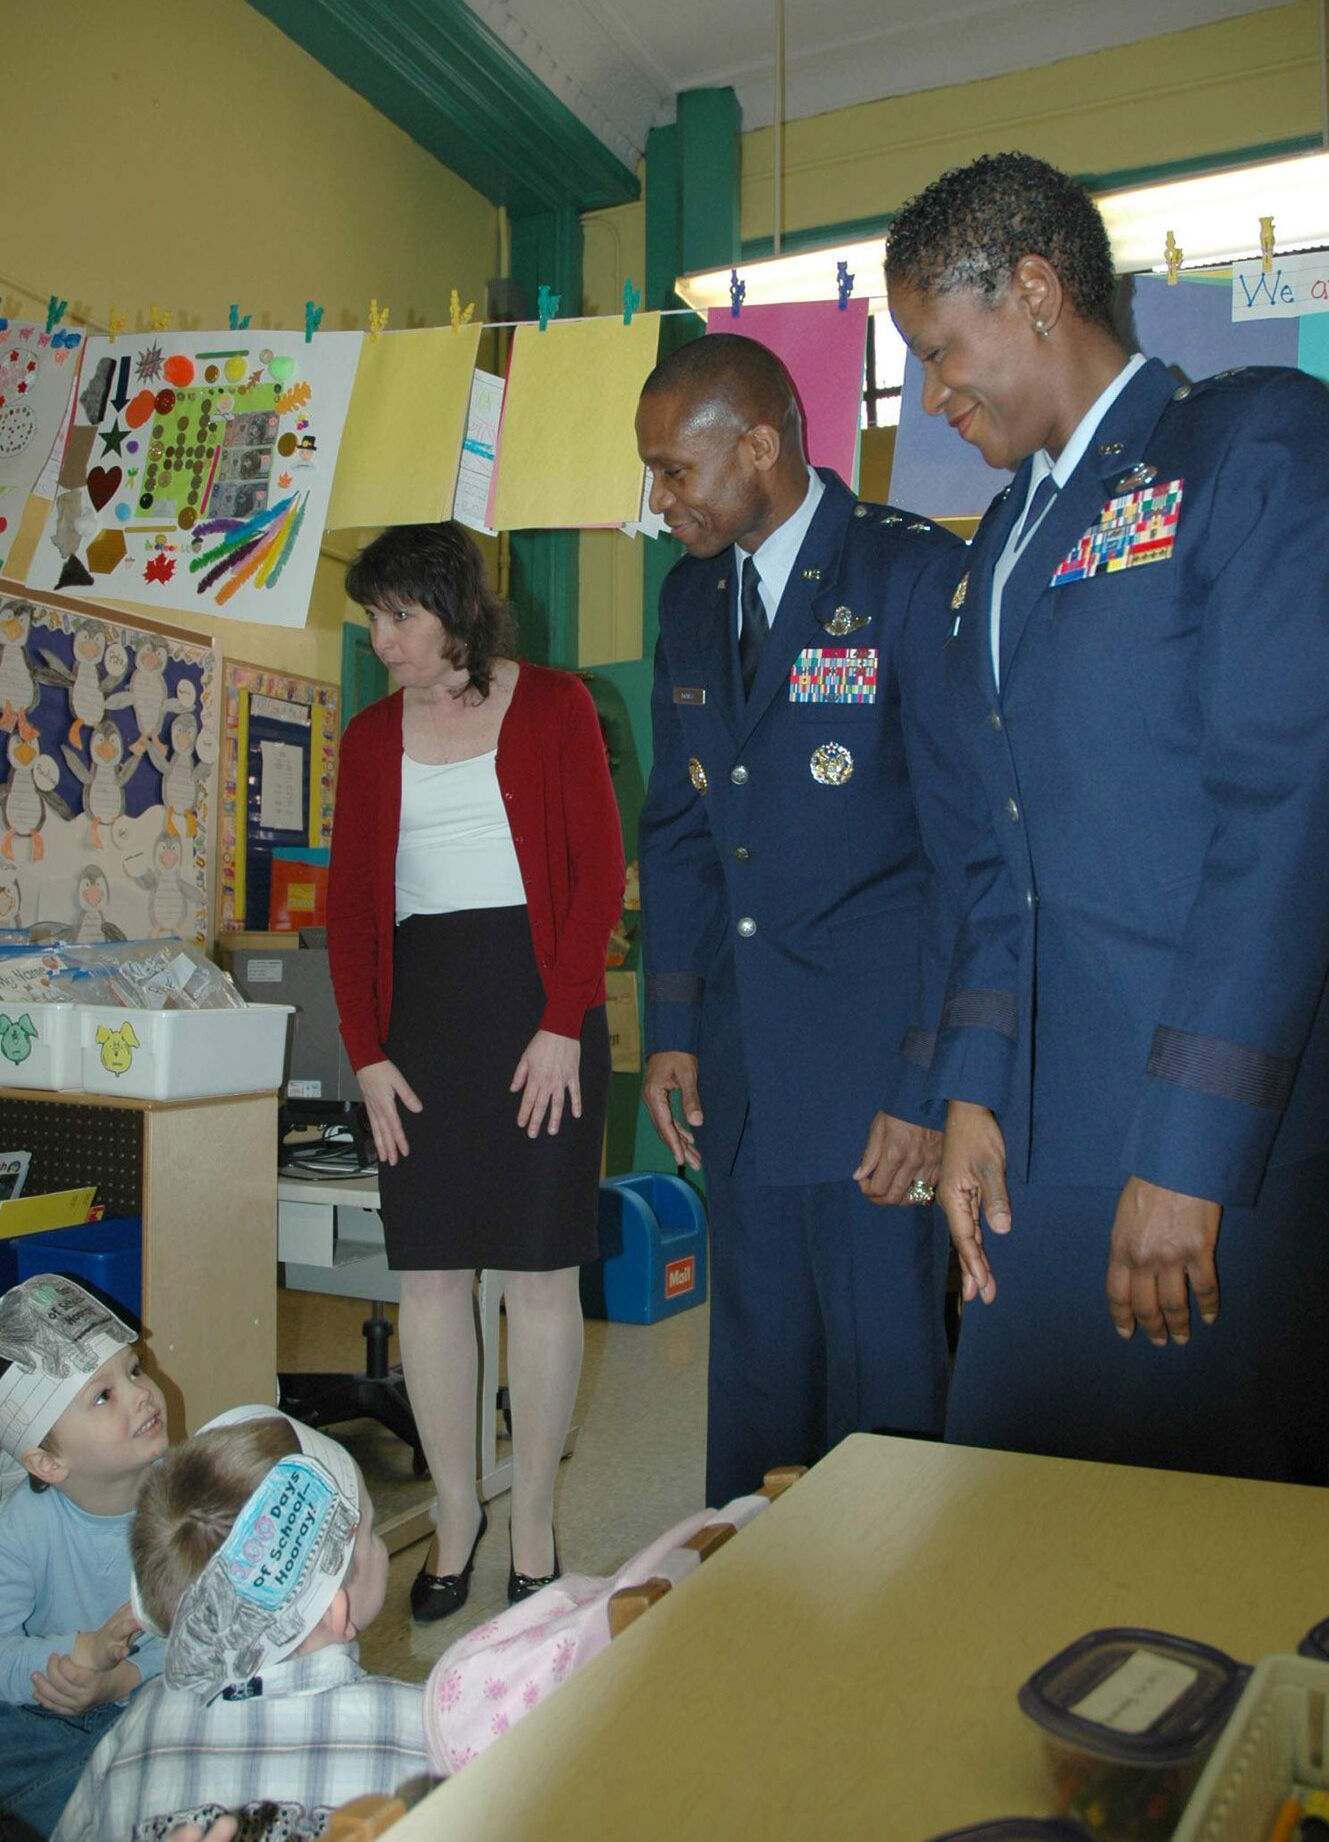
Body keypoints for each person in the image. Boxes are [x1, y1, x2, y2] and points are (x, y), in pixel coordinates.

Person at [885, 149, 1329, 1481]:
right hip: (1034, 1135)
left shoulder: (1248, 446)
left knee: (1207, 1562)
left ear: (1033, 290)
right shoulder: (996, 548)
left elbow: (1285, 810)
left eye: (939, 345)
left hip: (1206, 1133)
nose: (930, 389)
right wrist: (969, 1096)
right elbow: (985, 862)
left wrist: (1188, 1154)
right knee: (1017, 1508)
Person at [636, 332, 963, 1503]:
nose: (659, 499)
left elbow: (962, 855)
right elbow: (676, 833)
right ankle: (756, 1621)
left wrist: (928, 1083)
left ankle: (897, 1646)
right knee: (761, 1377)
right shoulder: (686, 601)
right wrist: (671, 1025)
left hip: (881, 1073)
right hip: (743, 1066)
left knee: (885, 1379)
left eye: (675, 470)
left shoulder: (909, 576)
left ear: (761, 445)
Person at [327, 523, 624, 1615]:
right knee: (433, 1274)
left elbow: (598, 871)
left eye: (398, 615)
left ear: (455, 610)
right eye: (371, 617)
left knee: (541, 1274)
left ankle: (534, 1516)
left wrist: (562, 1015)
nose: (380, 638)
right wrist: (364, 1054)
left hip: (542, 1008)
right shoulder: (366, 739)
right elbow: (350, 909)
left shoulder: (555, 705)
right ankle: (457, 1512)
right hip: (423, 1025)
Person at [54, 1405, 428, 1841]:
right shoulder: (423, 1726)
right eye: (370, 1533)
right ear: (334, 1611)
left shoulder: (139, 1725)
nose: (378, 1543)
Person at [0, 1274, 168, 1840]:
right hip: (49, 1714)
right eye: (105, 1394)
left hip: (156, 1694)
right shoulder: (21, 1526)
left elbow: (223, 1627)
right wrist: (82, 1655)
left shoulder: (190, 1496)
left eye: (134, 1370)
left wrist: (123, 1678)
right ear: (47, 1464)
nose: (143, 1393)